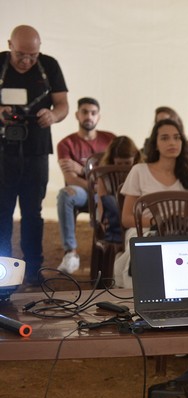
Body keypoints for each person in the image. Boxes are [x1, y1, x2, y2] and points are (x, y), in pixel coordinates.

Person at [0, 25, 68, 282]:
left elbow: (62, 105)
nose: (27, 61)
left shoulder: (49, 65)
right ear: (10, 46)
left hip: (36, 150)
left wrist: (53, 115)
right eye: (21, 55)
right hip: (3, 150)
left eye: (33, 55)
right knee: (2, 211)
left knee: (32, 211)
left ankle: (33, 269)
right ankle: (3, 271)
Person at [114, 119, 188, 289]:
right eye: (165, 138)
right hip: (143, 230)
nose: (172, 142)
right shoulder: (139, 171)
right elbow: (127, 219)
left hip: (180, 235)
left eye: (177, 138)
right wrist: (158, 224)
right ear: (155, 144)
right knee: (145, 246)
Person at [55, 97, 116, 274]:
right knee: (65, 193)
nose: (89, 116)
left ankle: (112, 252)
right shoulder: (66, 144)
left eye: (93, 112)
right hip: (82, 191)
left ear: (99, 117)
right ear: (77, 114)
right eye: (84, 112)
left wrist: (81, 168)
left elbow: (114, 174)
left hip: (106, 193)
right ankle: (71, 253)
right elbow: (71, 178)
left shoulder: (110, 139)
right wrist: (96, 185)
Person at [93, 135, 142, 246]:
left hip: (133, 214)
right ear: (112, 160)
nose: (122, 168)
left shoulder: (140, 171)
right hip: (111, 215)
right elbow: (101, 201)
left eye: (127, 163)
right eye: (119, 164)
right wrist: (102, 219)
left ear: (135, 158)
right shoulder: (105, 175)